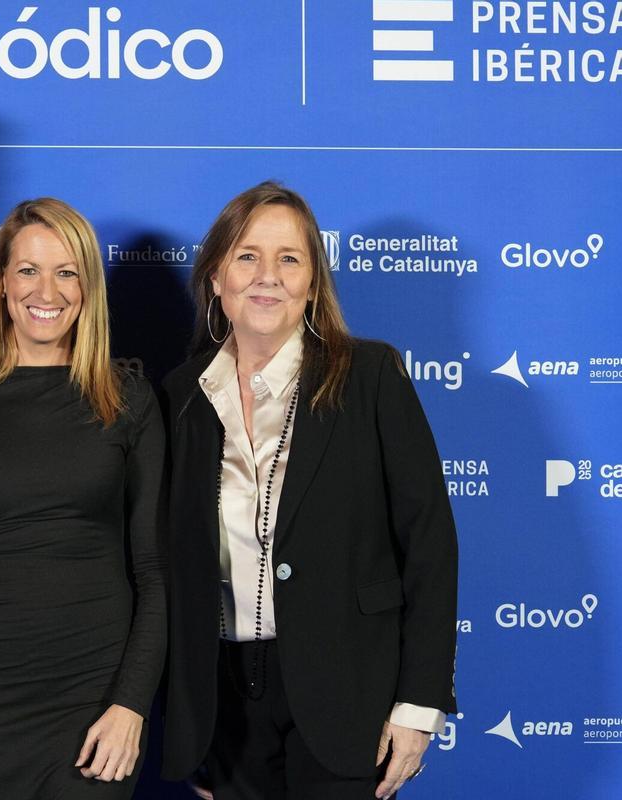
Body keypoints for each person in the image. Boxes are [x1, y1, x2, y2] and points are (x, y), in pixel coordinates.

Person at [160, 181, 458, 800]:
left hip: (350, 696)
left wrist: (418, 704)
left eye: (289, 259)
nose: (267, 276)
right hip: (225, 704)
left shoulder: (369, 375)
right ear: (216, 277)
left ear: (313, 284)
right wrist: (190, 723)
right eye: (247, 257)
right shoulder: (179, 396)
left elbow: (429, 543)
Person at [0, 198, 166, 800]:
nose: (46, 289)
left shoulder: (128, 401)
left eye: (66, 271)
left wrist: (130, 704)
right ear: (0, 283)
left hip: (93, 697)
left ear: (87, 287)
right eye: (27, 270)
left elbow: (154, 571)